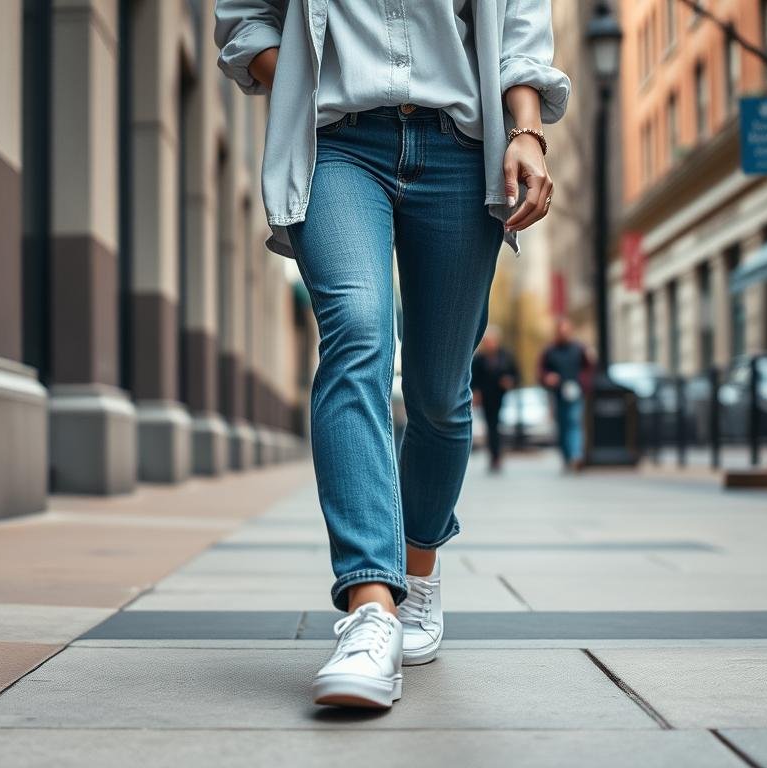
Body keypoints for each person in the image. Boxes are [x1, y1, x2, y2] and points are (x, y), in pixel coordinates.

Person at [216, 0, 569, 708]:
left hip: (460, 151)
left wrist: (526, 129)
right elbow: (244, 20)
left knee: (440, 392)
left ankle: (419, 569)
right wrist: (303, 81)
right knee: (358, 333)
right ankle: (370, 609)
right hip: (338, 146)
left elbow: (519, 23)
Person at [538, 318, 591, 472]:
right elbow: (541, 371)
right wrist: (547, 378)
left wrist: (582, 382)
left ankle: (576, 455)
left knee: (574, 422)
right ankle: (567, 457)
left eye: (566, 331)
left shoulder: (579, 349)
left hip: (576, 392)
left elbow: (589, 368)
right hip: (558, 394)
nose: (564, 334)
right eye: (561, 331)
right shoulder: (549, 351)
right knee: (562, 426)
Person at [471, 326, 519, 472]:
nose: (489, 344)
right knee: (491, 426)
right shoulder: (479, 359)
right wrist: (476, 393)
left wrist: (510, 381)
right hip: (486, 397)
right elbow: (473, 379)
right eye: (487, 341)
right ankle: (495, 456)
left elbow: (516, 375)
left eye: (491, 341)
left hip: (502, 397)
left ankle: (497, 455)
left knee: (497, 426)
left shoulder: (506, 356)